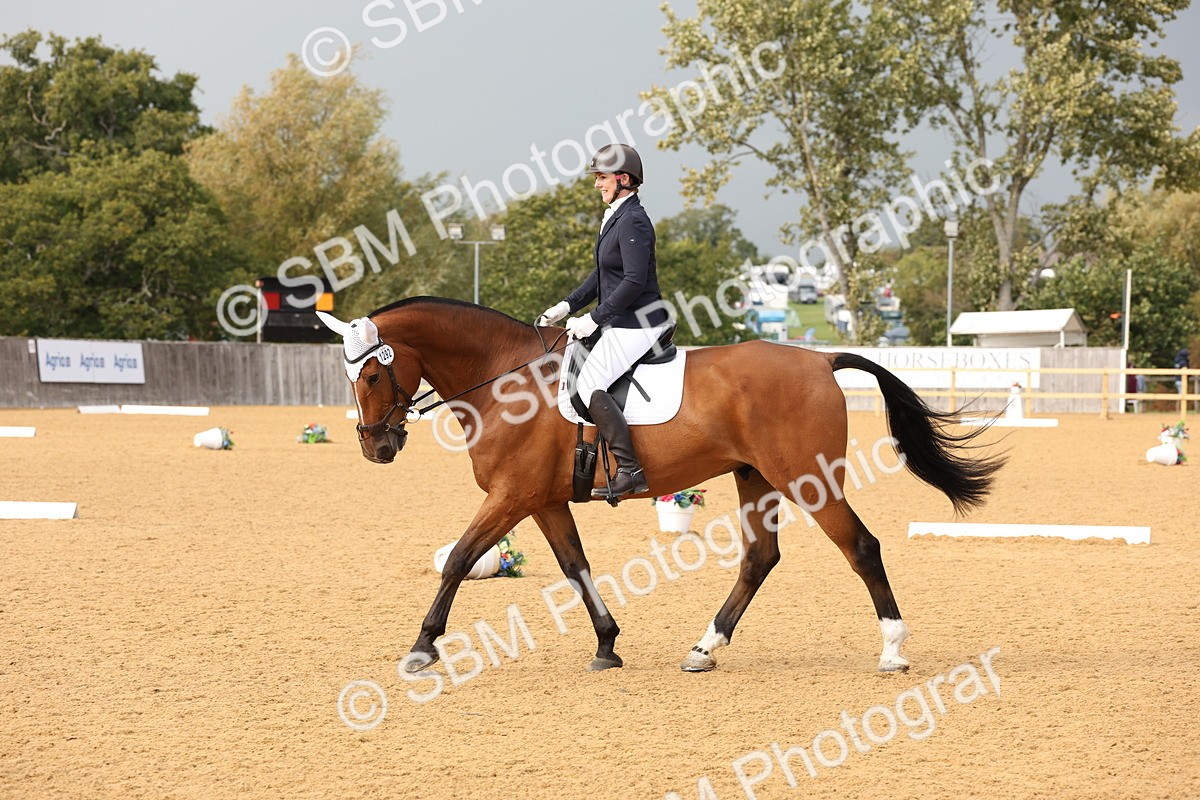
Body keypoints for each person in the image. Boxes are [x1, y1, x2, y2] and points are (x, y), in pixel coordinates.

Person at [536, 144, 670, 502]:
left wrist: (593, 319)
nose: (597, 184)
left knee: (590, 383)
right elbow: (602, 275)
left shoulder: (633, 219)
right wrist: (567, 306)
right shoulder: (616, 216)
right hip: (621, 321)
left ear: (623, 178)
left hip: (639, 322)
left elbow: (633, 281)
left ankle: (630, 469)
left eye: (602, 177)